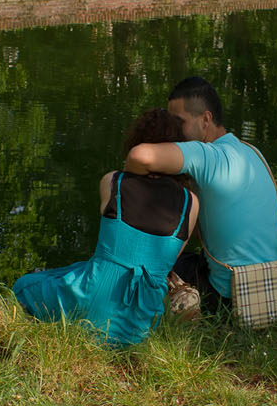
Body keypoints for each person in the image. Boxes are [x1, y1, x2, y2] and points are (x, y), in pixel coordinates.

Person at [12, 109, 201, 347]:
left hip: (93, 297)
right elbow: (168, 260)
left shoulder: (113, 181)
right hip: (141, 323)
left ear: (137, 143)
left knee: (24, 286)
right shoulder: (191, 203)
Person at [125, 76, 277, 320]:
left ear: (206, 119)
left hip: (233, 296)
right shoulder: (252, 152)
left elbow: (139, 156)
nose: (175, 132)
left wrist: (125, 184)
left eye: (179, 122)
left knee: (158, 262)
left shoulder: (206, 156)